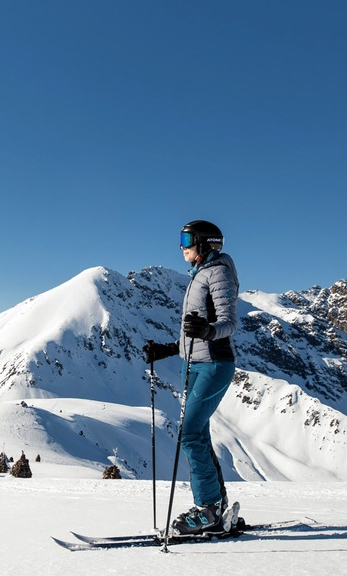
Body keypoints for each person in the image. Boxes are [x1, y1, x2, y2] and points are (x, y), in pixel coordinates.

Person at [142, 220, 239, 535]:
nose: (181, 246)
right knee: (199, 434)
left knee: (190, 434)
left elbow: (228, 323)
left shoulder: (219, 273)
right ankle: (217, 506)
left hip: (214, 364)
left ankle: (209, 509)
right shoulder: (200, 274)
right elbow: (194, 330)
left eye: (187, 239)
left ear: (205, 243)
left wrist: (208, 331)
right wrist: (169, 349)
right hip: (194, 363)